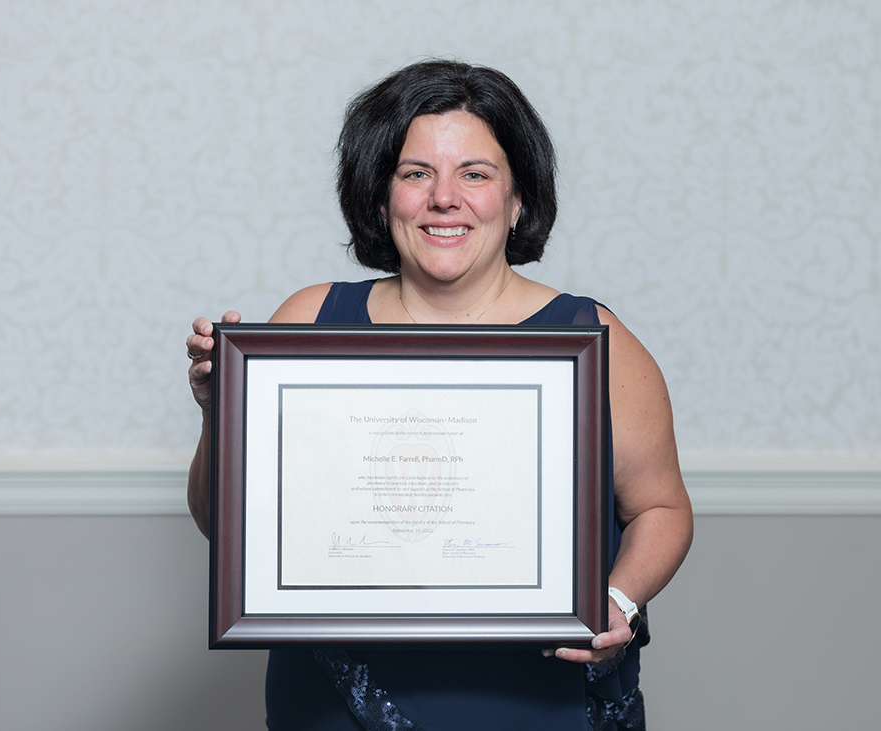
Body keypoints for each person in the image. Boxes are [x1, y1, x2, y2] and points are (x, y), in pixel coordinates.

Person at [186, 60, 693, 731]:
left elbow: (662, 505)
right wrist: (217, 414)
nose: (443, 198)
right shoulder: (307, 322)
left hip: (535, 697)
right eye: (415, 173)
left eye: (475, 174)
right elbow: (223, 524)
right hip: (335, 698)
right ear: (379, 195)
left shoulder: (592, 336)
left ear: (517, 200)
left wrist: (620, 598)